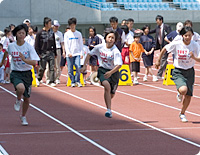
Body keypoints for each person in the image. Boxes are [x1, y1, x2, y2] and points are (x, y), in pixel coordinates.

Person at [155, 27, 200, 123]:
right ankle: (180, 93)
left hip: (190, 71)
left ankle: (182, 113)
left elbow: (199, 59)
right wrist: (158, 60)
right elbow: (164, 49)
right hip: (178, 71)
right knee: (183, 90)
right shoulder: (177, 44)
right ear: (182, 36)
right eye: (186, 35)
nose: (188, 37)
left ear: (192, 35)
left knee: (188, 96)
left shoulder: (195, 45)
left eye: (189, 35)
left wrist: (194, 57)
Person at [0, 24, 40, 125]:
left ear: (25, 34)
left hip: (27, 73)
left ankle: (23, 116)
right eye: (19, 33)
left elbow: (35, 62)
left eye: (23, 33)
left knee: (26, 98)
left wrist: (25, 60)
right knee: (20, 88)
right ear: (16, 34)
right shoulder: (12, 46)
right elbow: (6, 53)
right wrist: (2, 62)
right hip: (16, 73)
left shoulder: (29, 47)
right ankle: (18, 99)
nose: (21, 35)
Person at [80, 30, 122, 118]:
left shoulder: (115, 51)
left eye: (112, 38)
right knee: (107, 86)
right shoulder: (99, 47)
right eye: (109, 37)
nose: (110, 39)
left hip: (113, 72)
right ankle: (109, 110)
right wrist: (84, 66)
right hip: (102, 70)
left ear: (114, 40)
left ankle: (108, 101)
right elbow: (89, 54)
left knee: (112, 94)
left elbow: (119, 65)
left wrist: (110, 72)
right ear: (105, 38)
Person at [35, 17, 57, 87]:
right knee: (42, 67)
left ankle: (51, 81)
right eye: (50, 23)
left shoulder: (51, 32)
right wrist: (38, 53)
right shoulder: (39, 33)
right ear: (46, 24)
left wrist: (55, 52)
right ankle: (38, 79)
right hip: (43, 53)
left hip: (51, 52)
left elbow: (54, 43)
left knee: (52, 67)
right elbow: (36, 44)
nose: (51, 25)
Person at [64, 17, 83, 87]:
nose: (72, 26)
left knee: (78, 67)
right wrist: (68, 53)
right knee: (70, 69)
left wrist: (81, 53)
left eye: (73, 25)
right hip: (69, 54)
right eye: (71, 25)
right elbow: (66, 44)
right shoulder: (67, 34)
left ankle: (77, 80)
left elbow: (81, 44)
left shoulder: (78, 34)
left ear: (75, 25)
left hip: (77, 53)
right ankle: (72, 81)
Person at [46, 20, 65, 84]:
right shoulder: (49, 33)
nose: (56, 27)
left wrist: (64, 51)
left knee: (57, 65)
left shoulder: (59, 34)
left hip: (57, 49)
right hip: (50, 50)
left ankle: (57, 78)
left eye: (57, 26)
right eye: (55, 26)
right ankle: (48, 78)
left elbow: (62, 43)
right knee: (49, 65)